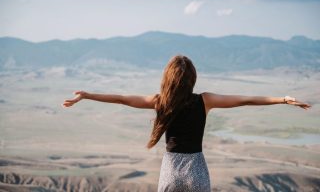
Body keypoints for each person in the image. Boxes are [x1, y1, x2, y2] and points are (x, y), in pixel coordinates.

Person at [62, 55, 311, 192]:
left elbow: (121, 99)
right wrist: (282, 99)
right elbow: (244, 100)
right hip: (197, 170)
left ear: (167, 79)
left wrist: (86, 95)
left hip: (171, 170)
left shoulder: (159, 102)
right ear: (192, 79)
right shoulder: (206, 100)